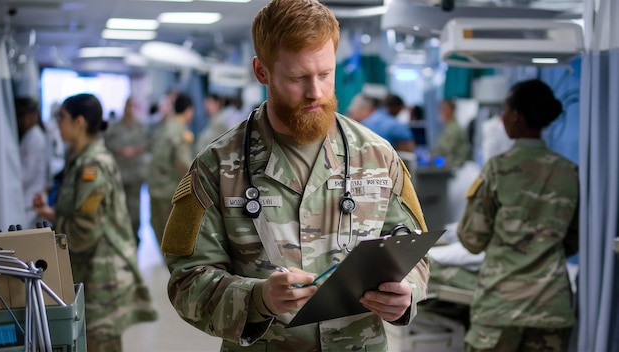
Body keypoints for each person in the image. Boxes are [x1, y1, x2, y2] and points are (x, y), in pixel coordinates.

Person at [160, 0, 430, 350]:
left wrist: (407, 294)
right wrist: (258, 298)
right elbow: (186, 282)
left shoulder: (378, 156)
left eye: (325, 74)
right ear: (262, 72)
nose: (315, 92)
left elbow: (413, 250)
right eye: (298, 77)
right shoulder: (217, 167)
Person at [457, 79, 578, 352]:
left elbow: (472, 239)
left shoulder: (497, 170)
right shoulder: (569, 172)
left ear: (515, 116)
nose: (501, 118)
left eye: (504, 111)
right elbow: (573, 240)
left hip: (501, 306)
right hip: (551, 307)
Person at [32, 93, 157, 352]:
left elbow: (83, 231)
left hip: (102, 281)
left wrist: (54, 229)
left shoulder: (93, 166)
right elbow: (83, 214)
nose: (58, 123)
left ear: (78, 122)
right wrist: (52, 213)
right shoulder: (80, 160)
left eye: (62, 118)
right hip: (90, 273)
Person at [148, 93, 194, 246]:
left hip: (156, 186)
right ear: (189, 111)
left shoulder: (165, 125)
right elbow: (183, 163)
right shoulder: (180, 131)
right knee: (170, 234)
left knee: (159, 227)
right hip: (169, 189)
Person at [104, 97, 148, 246]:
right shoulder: (115, 128)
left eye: (133, 107)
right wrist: (120, 150)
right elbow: (107, 144)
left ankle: (135, 240)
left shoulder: (141, 127)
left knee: (135, 211)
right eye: (128, 106)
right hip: (119, 176)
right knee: (118, 210)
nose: (130, 110)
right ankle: (120, 241)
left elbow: (148, 144)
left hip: (135, 175)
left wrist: (134, 150)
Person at [14, 96, 49, 229]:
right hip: (27, 200)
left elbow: (27, 174)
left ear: (32, 115)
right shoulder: (29, 136)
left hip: (31, 201)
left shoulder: (36, 137)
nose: (19, 120)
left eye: (21, 115)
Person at [433, 99, 471, 168]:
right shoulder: (448, 127)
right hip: (449, 165)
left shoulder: (454, 129)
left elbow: (445, 150)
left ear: (450, 110)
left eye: (444, 109)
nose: (441, 112)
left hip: (454, 166)